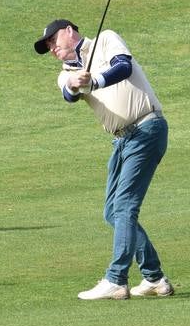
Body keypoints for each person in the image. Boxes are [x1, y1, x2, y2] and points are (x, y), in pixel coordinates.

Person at [35, 18, 173, 300]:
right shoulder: (65, 72)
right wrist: (75, 83)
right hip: (123, 140)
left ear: (69, 31)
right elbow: (69, 93)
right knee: (113, 211)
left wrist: (96, 79)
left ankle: (116, 279)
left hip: (147, 127)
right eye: (47, 46)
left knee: (124, 205)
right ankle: (154, 277)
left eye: (53, 41)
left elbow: (123, 66)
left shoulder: (106, 39)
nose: (51, 48)